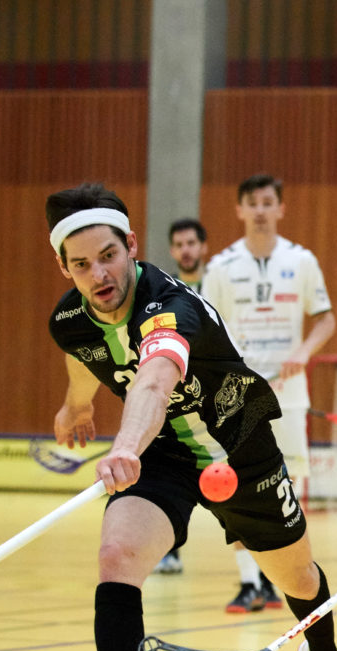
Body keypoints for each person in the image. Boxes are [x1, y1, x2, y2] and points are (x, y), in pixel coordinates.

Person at [45, 183, 337, 651]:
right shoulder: (69, 318)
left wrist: (122, 444)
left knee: (295, 574)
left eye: (109, 256)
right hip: (164, 454)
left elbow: (154, 381)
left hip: (239, 444)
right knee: (117, 553)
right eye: (82, 265)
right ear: (63, 266)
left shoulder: (169, 307)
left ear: (132, 247)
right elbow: (82, 351)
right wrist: (76, 405)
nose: (99, 274)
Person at [202, 175, 337, 613]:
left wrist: (303, 351)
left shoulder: (302, 261)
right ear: (239, 211)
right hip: (240, 394)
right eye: (252, 203)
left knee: (287, 484)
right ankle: (249, 584)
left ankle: (280, 577)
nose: (260, 210)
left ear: (281, 209)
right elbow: (204, 329)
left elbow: (325, 320)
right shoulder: (221, 267)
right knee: (235, 484)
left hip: (288, 393)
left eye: (267, 202)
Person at [151, 217, 211, 575]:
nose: (186, 250)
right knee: (173, 470)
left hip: (215, 391)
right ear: (173, 251)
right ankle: (170, 549)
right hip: (179, 394)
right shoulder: (165, 291)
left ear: (203, 247)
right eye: (179, 245)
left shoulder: (218, 284)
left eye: (192, 243)